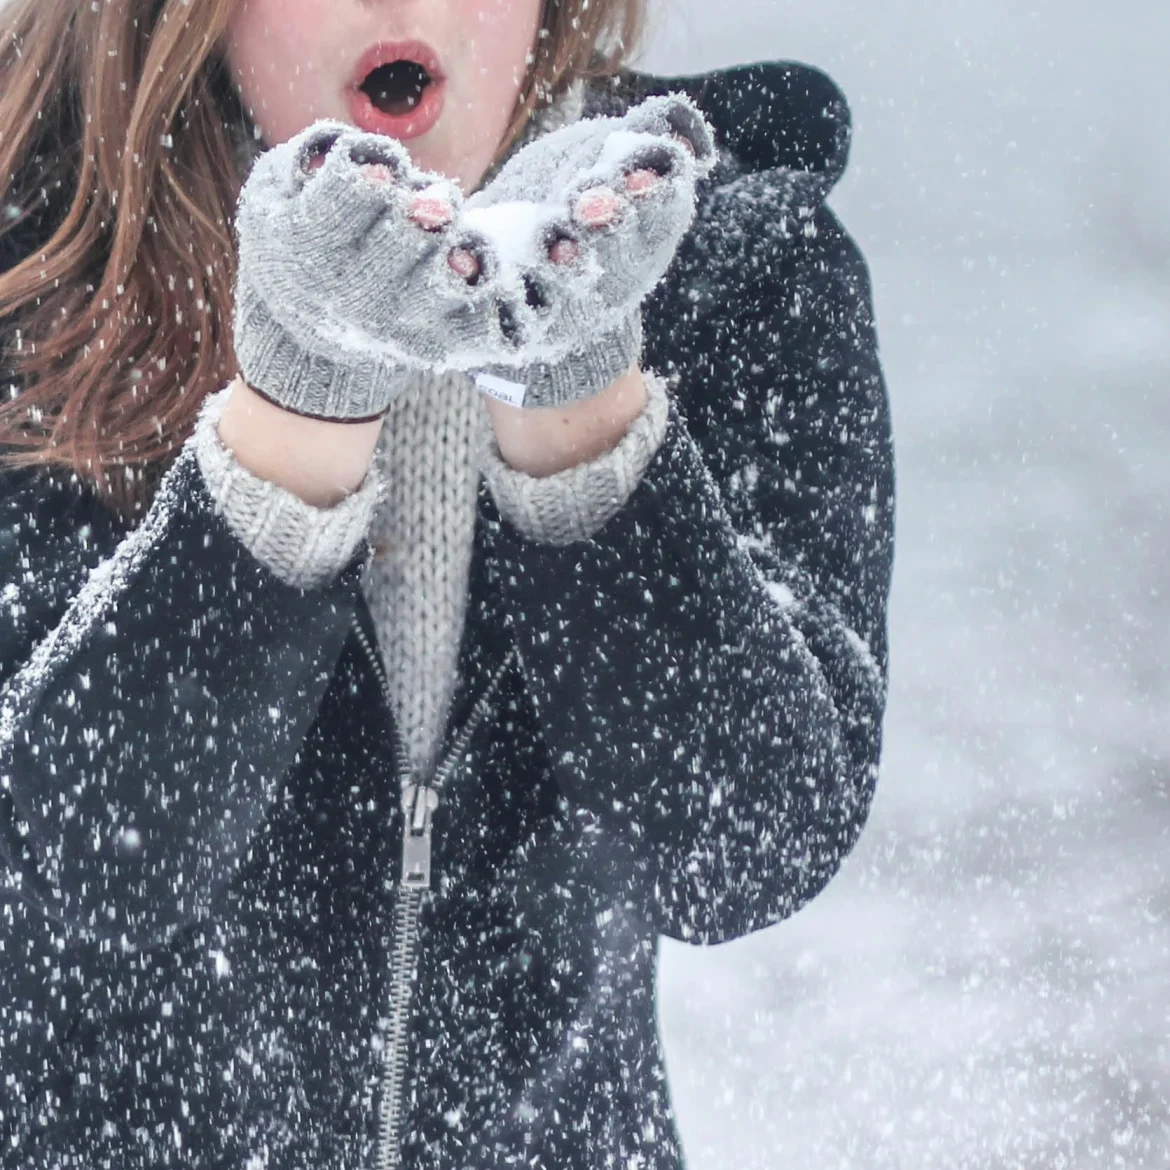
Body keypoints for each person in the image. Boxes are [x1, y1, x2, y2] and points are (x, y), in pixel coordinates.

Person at [0, 0, 895, 1165]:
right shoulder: (36, 280)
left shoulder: (730, 265)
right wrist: (295, 419)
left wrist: (579, 401)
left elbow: (744, 851)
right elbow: (49, 890)